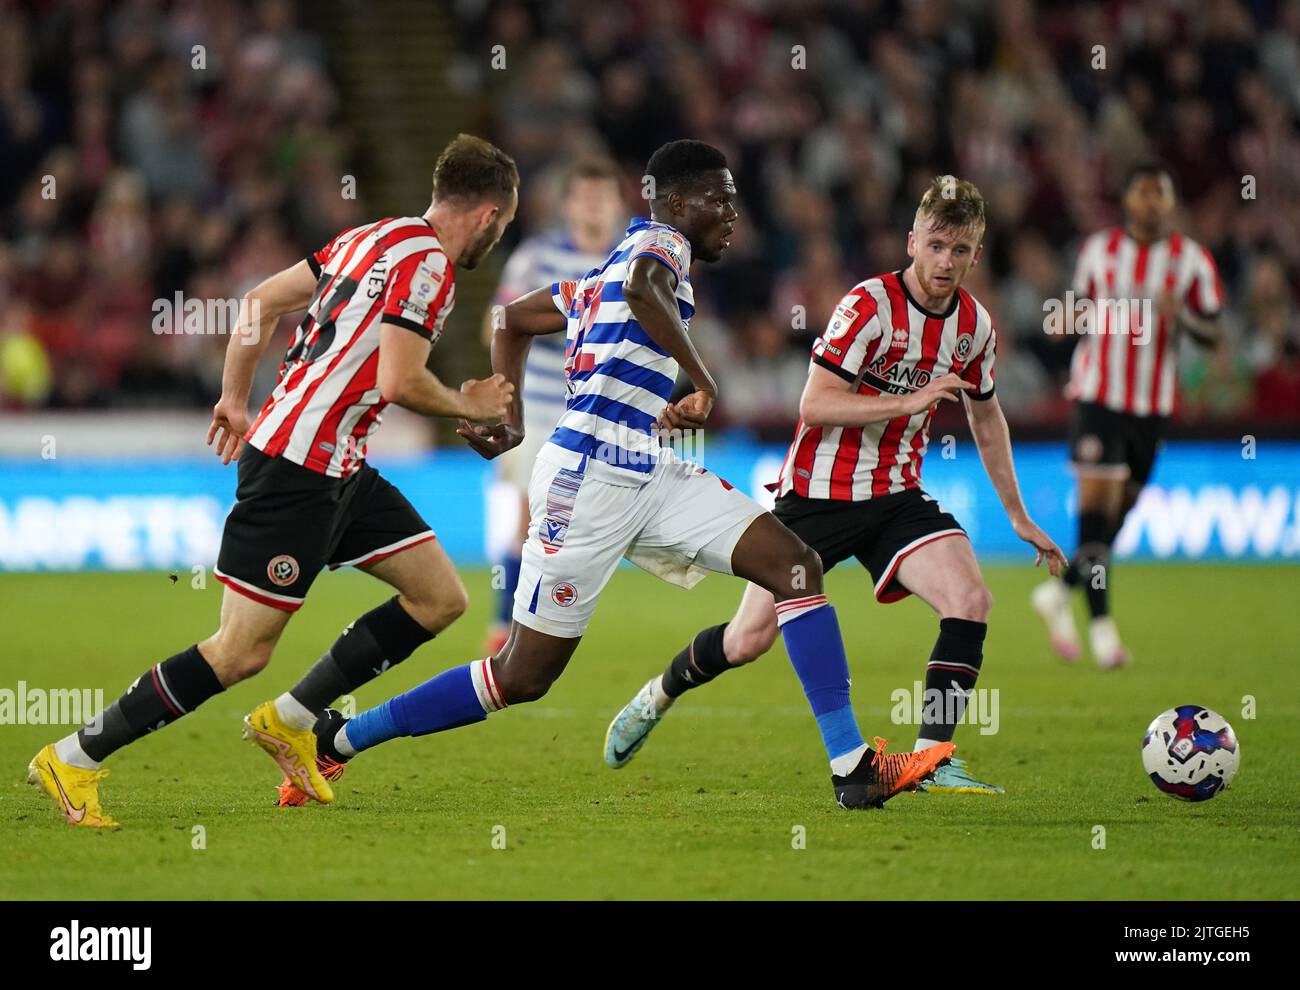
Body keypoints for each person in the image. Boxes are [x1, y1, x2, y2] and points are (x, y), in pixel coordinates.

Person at [284, 140, 956, 812]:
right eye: (720, 200)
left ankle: (852, 771)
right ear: (678, 202)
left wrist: (511, 416)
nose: (732, 214)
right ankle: (338, 740)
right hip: (587, 483)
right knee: (520, 677)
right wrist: (702, 378)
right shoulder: (660, 248)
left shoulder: (596, 276)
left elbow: (512, 321)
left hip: (647, 468)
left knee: (796, 566)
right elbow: (641, 289)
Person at [27, 134, 518, 827]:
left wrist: (233, 396)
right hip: (298, 469)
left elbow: (257, 301)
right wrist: (472, 402)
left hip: (339, 462)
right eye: (502, 227)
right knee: (238, 652)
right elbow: (399, 380)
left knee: (440, 597)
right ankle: (75, 757)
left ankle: (289, 720)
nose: (495, 240)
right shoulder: (432, 267)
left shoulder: (371, 237)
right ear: (489, 214)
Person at [605, 175, 1066, 796]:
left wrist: (1017, 514)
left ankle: (932, 759)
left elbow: (986, 415)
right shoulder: (868, 306)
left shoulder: (975, 328)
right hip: (815, 497)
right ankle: (661, 691)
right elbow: (815, 404)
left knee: (971, 600)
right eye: (935, 245)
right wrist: (912, 399)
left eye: (960, 251)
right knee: (747, 640)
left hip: (896, 498)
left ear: (976, 256)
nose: (944, 262)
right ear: (912, 242)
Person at [1031, 163, 1221, 669]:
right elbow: (1071, 312)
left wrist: (1178, 314)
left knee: (1114, 522)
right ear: (1129, 200)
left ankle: (1058, 593)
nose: (1152, 202)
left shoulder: (1191, 261)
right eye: (1143, 192)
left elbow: (1212, 332)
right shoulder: (1100, 251)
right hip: (1098, 398)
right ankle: (1103, 632)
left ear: (1171, 202)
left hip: (1152, 408)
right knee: (1096, 521)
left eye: (1160, 192)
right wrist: (1063, 319)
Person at [482, 157, 624, 655]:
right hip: (543, 413)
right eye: (584, 196)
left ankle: (551, 624)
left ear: (617, 203)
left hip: (606, 419)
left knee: (583, 527)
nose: (593, 205)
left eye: (602, 197)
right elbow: (496, 322)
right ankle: (505, 629)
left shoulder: (629, 262)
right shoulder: (537, 258)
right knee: (528, 520)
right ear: (567, 205)